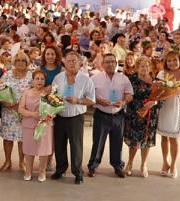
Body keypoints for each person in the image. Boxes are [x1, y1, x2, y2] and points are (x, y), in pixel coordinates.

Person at [50, 50, 95, 185]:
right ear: (64, 62)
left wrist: (78, 101)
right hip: (60, 116)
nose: (71, 63)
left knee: (76, 146)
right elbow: (53, 95)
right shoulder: (58, 78)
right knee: (59, 145)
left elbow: (91, 100)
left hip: (76, 117)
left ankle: (77, 172)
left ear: (80, 63)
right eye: (68, 61)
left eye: (74, 61)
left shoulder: (86, 79)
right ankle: (60, 169)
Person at [87, 53, 134, 178]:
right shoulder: (95, 78)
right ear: (102, 64)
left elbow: (129, 94)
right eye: (107, 62)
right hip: (101, 114)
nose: (110, 64)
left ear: (116, 63)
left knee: (117, 142)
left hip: (118, 115)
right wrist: (98, 100)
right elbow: (88, 95)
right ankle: (93, 166)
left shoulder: (123, 78)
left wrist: (123, 101)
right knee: (98, 142)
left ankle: (118, 166)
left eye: (113, 61)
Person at [156, 50, 180, 179]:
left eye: (175, 60)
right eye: (169, 60)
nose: (172, 62)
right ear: (166, 62)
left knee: (175, 138)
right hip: (164, 107)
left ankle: (173, 165)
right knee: (164, 137)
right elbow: (158, 91)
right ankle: (165, 162)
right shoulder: (162, 73)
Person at [124, 57, 160, 178]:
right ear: (137, 67)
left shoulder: (156, 81)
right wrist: (139, 109)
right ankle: (129, 163)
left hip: (150, 115)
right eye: (141, 66)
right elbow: (127, 95)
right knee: (134, 142)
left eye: (146, 66)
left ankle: (144, 164)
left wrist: (153, 103)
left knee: (146, 140)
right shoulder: (131, 79)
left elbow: (161, 98)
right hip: (135, 114)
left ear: (150, 67)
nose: (144, 68)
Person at [0, 52, 32, 172]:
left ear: (27, 63)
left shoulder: (30, 76)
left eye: (23, 61)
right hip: (8, 111)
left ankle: (22, 162)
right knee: (8, 138)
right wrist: (5, 102)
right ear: (14, 62)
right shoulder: (7, 75)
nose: (20, 63)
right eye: (18, 61)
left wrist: (21, 106)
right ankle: (7, 161)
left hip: (24, 112)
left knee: (23, 139)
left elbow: (36, 92)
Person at [19, 71, 52, 182]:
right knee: (29, 149)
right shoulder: (26, 93)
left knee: (43, 149)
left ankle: (42, 172)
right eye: (37, 78)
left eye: (42, 79)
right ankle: (28, 171)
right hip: (29, 124)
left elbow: (54, 109)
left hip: (44, 124)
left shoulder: (48, 93)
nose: (39, 81)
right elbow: (20, 109)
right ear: (33, 80)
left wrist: (49, 116)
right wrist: (33, 114)